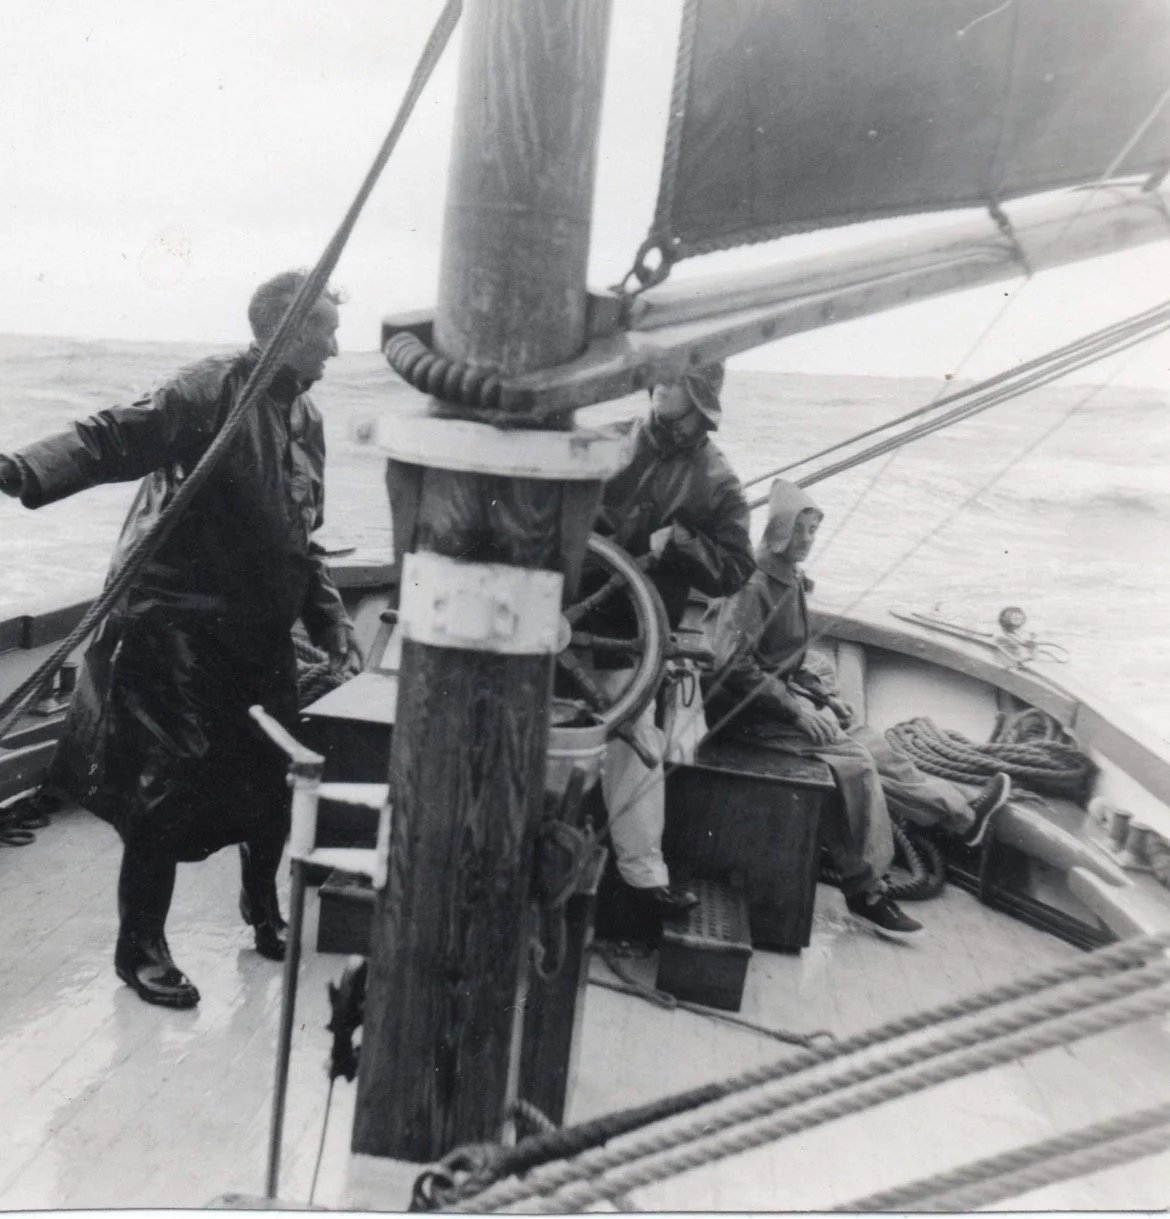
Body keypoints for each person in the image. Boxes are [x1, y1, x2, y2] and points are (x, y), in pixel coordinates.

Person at [0, 270, 361, 1008]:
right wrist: (18, 469)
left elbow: (300, 537)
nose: (336, 345)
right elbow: (112, 435)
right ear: (286, 330)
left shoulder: (308, 419)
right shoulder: (212, 387)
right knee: (161, 792)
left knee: (273, 780)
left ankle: (263, 909)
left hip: (255, 633)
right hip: (171, 625)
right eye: (325, 330)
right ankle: (141, 950)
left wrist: (330, 620)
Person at [707, 479, 1011, 937]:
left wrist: (822, 697)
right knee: (854, 764)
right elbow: (732, 663)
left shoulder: (787, 579)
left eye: (814, 531)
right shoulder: (753, 585)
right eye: (801, 530)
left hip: (772, 707)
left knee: (872, 743)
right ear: (778, 530)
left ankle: (962, 817)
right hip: (743, 719)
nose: (808, 540)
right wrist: (796, 711)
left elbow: (782, 659)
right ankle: (865, 890)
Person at [589, 362, 754, 913]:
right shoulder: (607, 442)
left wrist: (681, 542)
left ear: (699, 397)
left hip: (636, 636)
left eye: (676, 378)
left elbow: (736, 570)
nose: (662, 383)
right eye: (660, 376)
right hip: (564, 619)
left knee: (635, 745)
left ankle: (642, 879)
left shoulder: (717, 479)